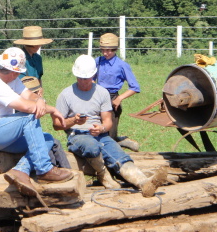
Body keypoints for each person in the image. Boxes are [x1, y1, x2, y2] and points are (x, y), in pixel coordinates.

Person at [52, 54, 167, 197]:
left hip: (100, 135)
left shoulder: (102, 92)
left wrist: (101, 128)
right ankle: (103, 175)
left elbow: (107, 121)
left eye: (86, 78)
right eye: (80, 78)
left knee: (118, 154)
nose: (83, 81)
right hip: (77, 135)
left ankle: (144, 183)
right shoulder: (66, 94)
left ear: (93, 75)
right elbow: (56, 124)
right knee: (92, 147)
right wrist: (73, 121)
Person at [0, 47, 73, 197]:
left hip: (2, 132)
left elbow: (29, 94)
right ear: (13, 72)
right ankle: (44, 170)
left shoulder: (9, 79)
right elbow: (27, 107)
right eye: (18, 73)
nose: (19, 75)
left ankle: (21, 170)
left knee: (47, 139)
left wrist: (41, 100)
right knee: (28, 117)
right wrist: (52, 109)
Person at [93, 33, 141, 152]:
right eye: (103, 50)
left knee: (109, 135)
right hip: (97, 96)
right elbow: (91, 78)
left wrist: (119, 98)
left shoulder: (122, 65)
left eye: (109, 50)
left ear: (115, 49)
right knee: (96, 130)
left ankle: (119, 143)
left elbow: (135, 87)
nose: (105, 53)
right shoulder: (97, 61)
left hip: (112, 99)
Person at [21, 76, 71, 169]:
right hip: (23, 140)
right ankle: (60, 170)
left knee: (52, 141)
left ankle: (61, 170)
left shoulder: (19, 102)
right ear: (40, 92)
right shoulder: (29, 108)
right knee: (50, 142)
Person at [14, 26, 53, 96]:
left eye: (39, 44)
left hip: (36, 93)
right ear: (26, 44)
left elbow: (39, 77)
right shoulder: (19, 58)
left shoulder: (38, 58)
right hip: (22, 93)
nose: (37, 47)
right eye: (33, 45)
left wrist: (40, 89)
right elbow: (20, 82)